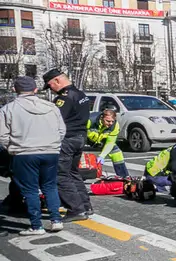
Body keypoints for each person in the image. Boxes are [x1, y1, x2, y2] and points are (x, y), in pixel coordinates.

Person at [0, 76, 66, 235]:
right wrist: (54, 145)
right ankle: (56, 220)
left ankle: (36, 226)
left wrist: (12, 149)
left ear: (15, 90)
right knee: (50, 186)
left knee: (30, 190)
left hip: (24, 153)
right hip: (50, 152)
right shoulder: (51, 107)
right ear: (35, 89)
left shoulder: (8, 109)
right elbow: (62, 130)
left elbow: (2, 135)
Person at [43, 68, 92, 221]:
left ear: (57, 81)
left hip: (67, 139)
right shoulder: (80, 94)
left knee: (60, 175)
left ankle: (76, 209)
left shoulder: (64, 98)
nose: (50, 89)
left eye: (50, 85)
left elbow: (54, 119)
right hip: (80, 137)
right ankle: (85, 206)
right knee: (73, 172)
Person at [87, 109, 129, 177]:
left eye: (112, 121)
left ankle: (123, 177)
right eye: (108, 121)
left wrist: (102, 156)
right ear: (101, 118)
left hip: (101, 139)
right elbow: (79, 132)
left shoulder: (115, 126)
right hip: (86, 138)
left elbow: (110, 143)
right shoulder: (90, 120)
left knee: (117, 153)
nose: (110, 123)